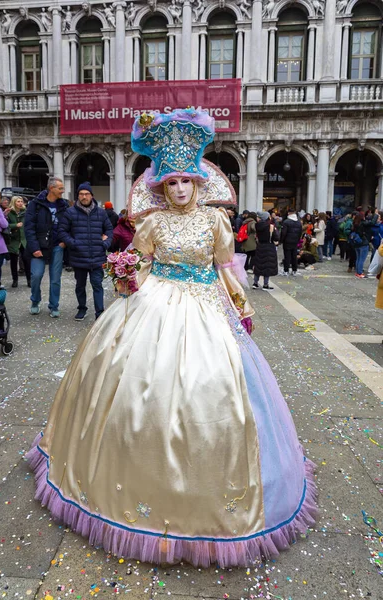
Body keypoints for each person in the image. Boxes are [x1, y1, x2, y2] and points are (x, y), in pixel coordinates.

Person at [27, 109, 317, 569]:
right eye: (172, 184)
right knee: (137, 380)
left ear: (200, 184)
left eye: (187, 182)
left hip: (206, 308)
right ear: (161, 187)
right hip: (153, 306)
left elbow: (225, 267)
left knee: (216, 387)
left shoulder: (215, 222)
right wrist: (125, 276)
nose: (180, 190)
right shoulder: (154, 223)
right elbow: (139, 262)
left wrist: (241, 305)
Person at [58, 182, 113, 321]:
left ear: (91, 195)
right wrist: (73, 243)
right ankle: (82, 308)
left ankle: (99, 312)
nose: (84, 196)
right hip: (79, 256)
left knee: (97, 285)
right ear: (78, 196)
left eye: (86, 194)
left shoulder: (101, 212)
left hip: (97, 256)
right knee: (80, 285)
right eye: (81, 194)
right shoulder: (70, 212)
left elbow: (109, 230)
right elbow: (62, 231)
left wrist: (105, 243)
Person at [24, 177, 68, 317]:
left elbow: (68, 225)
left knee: (55, 279)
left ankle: (54, 306)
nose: (63, 191)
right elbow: (29, 228)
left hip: (57, 246)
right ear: (51, 188)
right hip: (39, 246)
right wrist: (34, 247)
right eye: (60, 188)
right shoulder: (35, 204)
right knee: (36, 275)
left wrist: (63, 242)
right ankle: (35, 301)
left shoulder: (64, 205)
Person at [7, 196, 30, 288]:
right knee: (13, 261)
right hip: (13, 240)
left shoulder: (26, 212)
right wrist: (15, 225)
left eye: (21, 201)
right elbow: (5, 225)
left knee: (27, 261)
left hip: (24, 240)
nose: (21, 203)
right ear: (14, 203)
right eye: (18, 201)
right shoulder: (9, 213)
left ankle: (29, 280)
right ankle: (15, 280)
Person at [253, 211, 279, 290]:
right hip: (269, 246)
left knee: (258, 265)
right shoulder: (270, 226)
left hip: (260, 246)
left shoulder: (257, 225)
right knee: (267, 266)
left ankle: (255, 283)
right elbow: (276, 237)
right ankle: (265, 284)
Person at [281, 208, 302, 276]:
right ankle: (294, 270)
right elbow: (300, 233)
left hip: (287, 241)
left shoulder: (286, 222)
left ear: (289, 213)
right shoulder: (298, 222)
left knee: (287, 256)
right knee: (294, 256)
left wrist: (281, 240)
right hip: (295, 241)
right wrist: (297, 240)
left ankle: (286, 270)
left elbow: (283, 233)